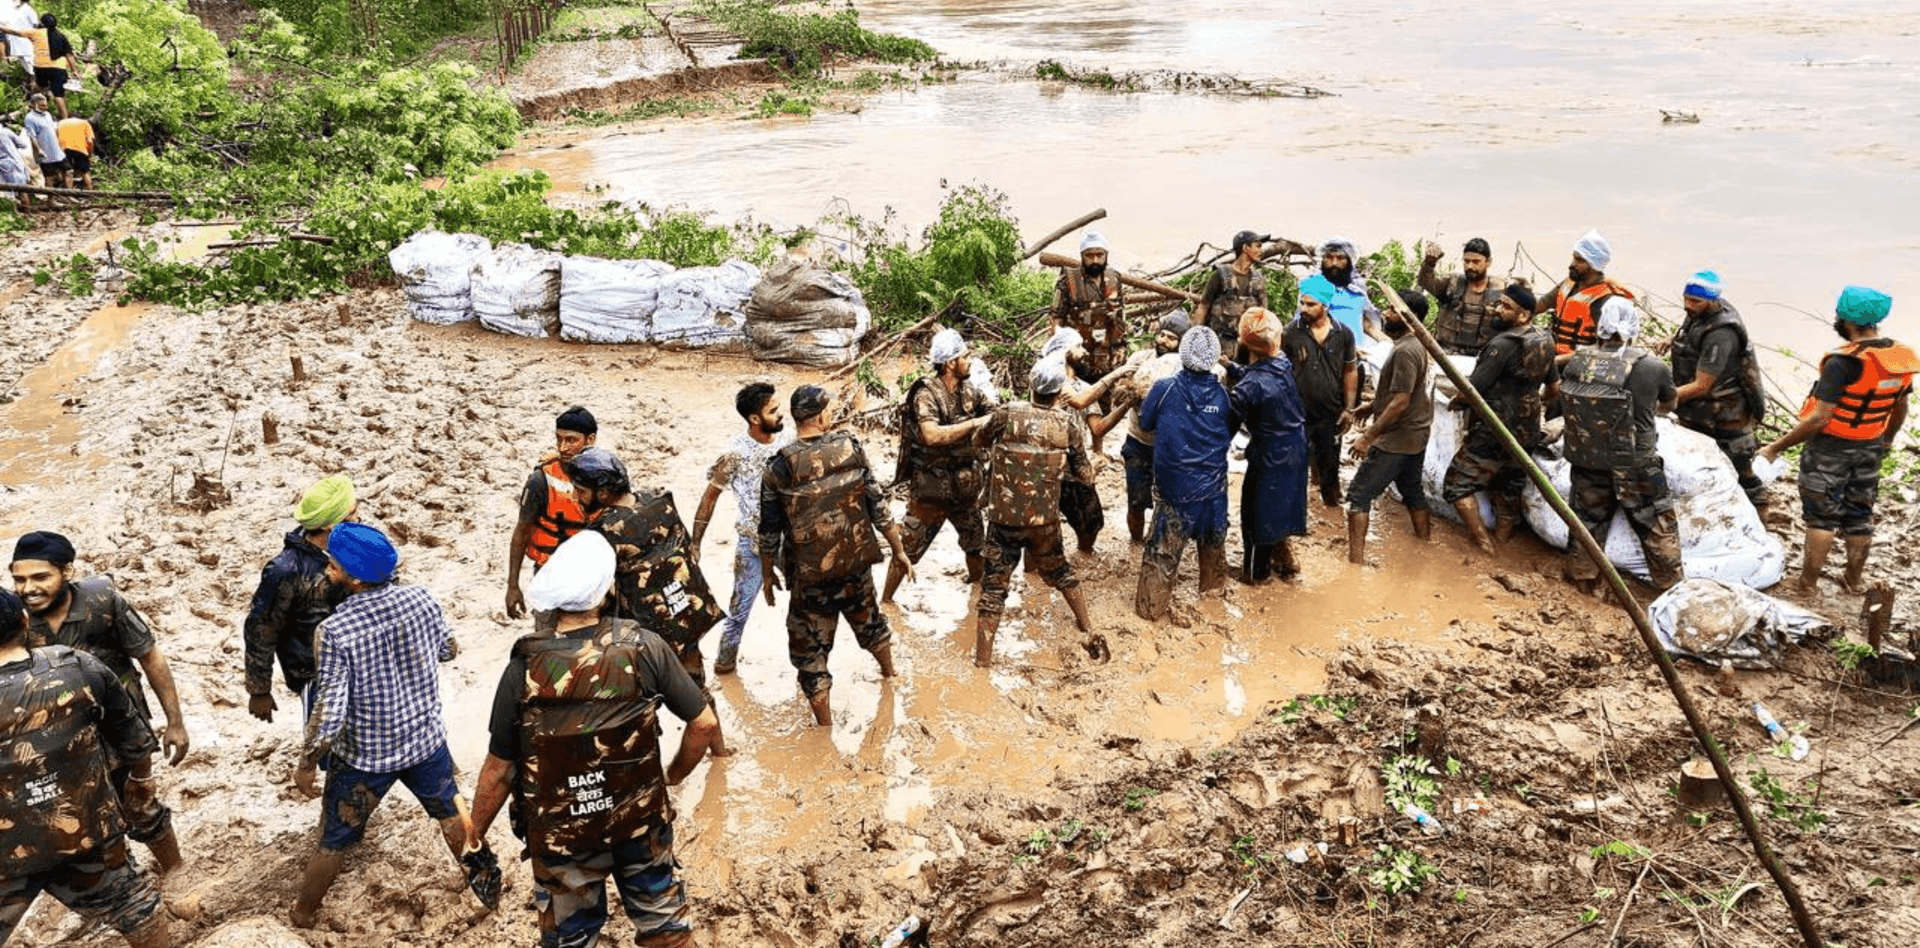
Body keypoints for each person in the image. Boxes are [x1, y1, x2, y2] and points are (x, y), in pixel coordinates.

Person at [469, 532, 716, 948]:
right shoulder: (644, 647)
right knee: (667, 929)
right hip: (639, 821)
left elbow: (499, 771)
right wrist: (671, 776)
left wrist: (474, 836)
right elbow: (704, 725)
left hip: (563, 837)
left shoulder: (522, 669)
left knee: (572, 939)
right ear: (605, 591)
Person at [292, 523, 498, 927]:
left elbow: (330, 713)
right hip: (425, 741)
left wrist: (305, 763)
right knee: (452, 815)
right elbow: (448, 649)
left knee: (335, 838)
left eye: (332, 566)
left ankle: (303, 911)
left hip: (365, 758)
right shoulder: (421, 598)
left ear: (350, 578)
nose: (328, 571)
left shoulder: (334, 631)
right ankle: (485, 888)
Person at [0, 587, 171, 948]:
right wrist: (140, 780)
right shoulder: (75, 665)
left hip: (5, 853)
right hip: (84, 832)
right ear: (25, 622)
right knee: (135, 906)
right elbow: (134, 740)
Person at [12, 531, 186, 873]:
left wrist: (175, 722)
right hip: (59, 738)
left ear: (67, 572)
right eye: (19, 579)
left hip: (121, 725)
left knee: (141, 803)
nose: (28, 588)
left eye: (40, 577)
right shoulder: (16, 621)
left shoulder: (102, 601)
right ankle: (125, 878)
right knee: (86, 816)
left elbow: (150, 658)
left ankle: (177, 869)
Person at [758, 385, 911, 726]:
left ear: (797, 419)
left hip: (808, 577)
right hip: (854, 566)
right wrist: (899, 550)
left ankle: (825, 729)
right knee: (871, 623)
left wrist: (768, 575)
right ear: (823, 415)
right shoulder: (850, 448)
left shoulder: (778, 468)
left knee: (809, 653)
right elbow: (878, 506)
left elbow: (768, 531)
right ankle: (891, 677)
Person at [568, 447, 730, 756]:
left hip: (642, 636)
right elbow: (685, 550)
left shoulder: (599, 533)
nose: (576, 497)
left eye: (580, 491)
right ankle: (720, 753)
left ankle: (650, 774)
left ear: (602, 493)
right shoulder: (661, 502)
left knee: (638, 709)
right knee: (698, 691)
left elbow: (599, 595)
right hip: (685, 616)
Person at [1760, 286, 1916, 594]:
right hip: (1870, 445)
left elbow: (1819, 418)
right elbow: (1900, 407)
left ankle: (1807, 585)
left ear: (1845, 320)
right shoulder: (1898, 359)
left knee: (1821, 519)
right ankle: (1854, 581)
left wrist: (1774, 448)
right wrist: (1887, 440)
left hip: (1830, 448)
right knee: (1859, 515)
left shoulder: (1842, 363)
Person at [970, 355, 1098, 667]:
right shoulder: (1067, 425)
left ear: (1030, 388)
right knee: (1061, 571)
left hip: (1003, 520)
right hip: (1044, 522)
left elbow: (978, 441)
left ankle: (982, 664)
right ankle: (1087, 626)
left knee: (993, 590)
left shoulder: (1006, 413)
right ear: (1058, 393)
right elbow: (1085, 475)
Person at [1560, 298, 1684, 594]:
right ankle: (1673, 590)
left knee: (1586, 523)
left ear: (1599, 325)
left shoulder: (1578, 360)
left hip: (1588, 460)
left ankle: (1583, 585)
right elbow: (1670, 402)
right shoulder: (1652, 366)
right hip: (1636, 463)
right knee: (1656, 523)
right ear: (1632, 325)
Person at [1440, 283, 1558, 552]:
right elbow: (1554, 388)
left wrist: (1455, 402)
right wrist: (1529, 403)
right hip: (1527, 430)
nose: (1497, 309)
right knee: (1508, 489)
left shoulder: (1501, 346)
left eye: (1506, 307)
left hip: (1495, 430)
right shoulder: (1545, 339)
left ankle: (1484, 546)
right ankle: (1503, 544)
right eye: (1499, 303)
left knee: (1457, 484)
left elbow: (1472, 390)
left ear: (1524, 315)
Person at [1134, 328, 1233, 623]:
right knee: (1213, 549)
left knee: (1161, 555)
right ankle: (1213, 606)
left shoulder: (1164, 388)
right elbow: (1227, 429)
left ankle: (1150, 612)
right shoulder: (1222, 394)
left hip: (1175, 489)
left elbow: (1145, 422)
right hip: (1214, 488)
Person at [886, 328, 992, 602]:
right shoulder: (926, 394)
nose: (970, 360)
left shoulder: (970, 391)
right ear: (950, 363)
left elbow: (993, 415)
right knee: (906, 548)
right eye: (965, 356)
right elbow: (931, 435)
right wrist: (972, 425)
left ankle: (976, 594)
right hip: (931, 489)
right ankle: (885, 602)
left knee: (977, 547)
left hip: (965, 489)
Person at [689, 383, 788, 674]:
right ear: (754, 419)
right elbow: (710, 497)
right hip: (753, 544)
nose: (781, 415)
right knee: (738, 612)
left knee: (808, 604)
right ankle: (725, 662)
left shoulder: (789, 442)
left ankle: (808, 664)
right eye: (773, 411)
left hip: (789, 540)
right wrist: (696, 542)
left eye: (779, 408)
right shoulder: (735, 454)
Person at [243, 475, 354, 726]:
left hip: (363, 662)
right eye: (353, 514)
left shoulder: (357, 548)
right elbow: (261, 629)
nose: (359, 520)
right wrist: (259, 689)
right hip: (317, 676)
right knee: (327, 746)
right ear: (332, 525)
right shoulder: (285, 571)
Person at [1346, 290, 1436, 565]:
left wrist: (1368, 437)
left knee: (1358, 497)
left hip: (1397, 438)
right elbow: (1404, 393)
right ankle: (1424, 546)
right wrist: (1371, 406)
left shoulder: (1407, 351)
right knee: (1411, 490)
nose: (1384, 314)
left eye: (1391, 310)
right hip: (1416, 433)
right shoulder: (1415, 344)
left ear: (1410, 317)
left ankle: (1354, 565)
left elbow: (1400, 401)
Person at [1670, 270, 1770, 510]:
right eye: (1686, 298)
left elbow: (1703, 386)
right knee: (1697, 472)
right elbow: (1692, 338)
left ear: (1713, 301)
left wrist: (1664, 399)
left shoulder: (1722, 332)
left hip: (1725, 417)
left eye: (1695, 301)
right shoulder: (1697, 314)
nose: (1688, 305)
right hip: (1697, 415)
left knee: (1744, 476)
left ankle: (1761, 525)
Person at [1228, 308, 1308, 582]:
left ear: (1243, 342)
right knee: (1281, 505)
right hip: (1296, 446)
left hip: (1270, 453)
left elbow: (1225, 429)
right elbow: (1261, 376)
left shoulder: (1246, 389)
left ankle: (1255, 575)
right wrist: (1231, 368)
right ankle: (1286, 561)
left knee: (1255, 515)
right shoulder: (1282, 362)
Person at [507, 406, 598, 619]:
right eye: (559, 439)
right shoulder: (540, 480)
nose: (563, 447)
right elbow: (521, 531)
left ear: (590, 439)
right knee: (547, 642)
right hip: (550, 576)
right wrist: (513, 586)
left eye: (571, 440)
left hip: (592, 578)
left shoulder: (605, 475)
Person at [1114, 312, 1195, 542]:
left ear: (1181, 343)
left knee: (1171, 500)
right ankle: (1136, 544)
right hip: (1138, 441)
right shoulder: (1141, 359)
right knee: (1136, 500)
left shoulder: (1187, 367)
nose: (1163, 340)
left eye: (1171, 338)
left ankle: (1164, 544)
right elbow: (1118, 390)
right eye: (1162, 334)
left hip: (1171, 446)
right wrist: (1131, 390)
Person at [1282, 275, 1361, 507]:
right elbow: (1279, 371)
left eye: (1310, 304)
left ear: (1325, 306)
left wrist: (1349, 408)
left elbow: (1350, 371)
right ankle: (1294, 515)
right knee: (1293, 466)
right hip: (1297, 412)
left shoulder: (1343, 334)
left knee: (1330, 466)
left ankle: (1331, 508)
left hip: (1330, 411)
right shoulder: (1290, 333)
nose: (1304, 308)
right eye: (1302, 303)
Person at [1536, 229, 1635, 364]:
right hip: (1554, 357)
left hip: (1579, 367)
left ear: (1594, 265)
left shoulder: (1604, 300)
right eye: (1573, 257)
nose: (1572, 264)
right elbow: (1540, 305)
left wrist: (1556, 362)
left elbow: (1607, 349)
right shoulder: (1569, 284)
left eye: (1579, 260)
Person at [1051, 231, 1127, 384]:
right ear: (1082, 256)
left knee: (1110, 403)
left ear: (1106, 255)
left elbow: (1120, 318)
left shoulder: (1114, 279)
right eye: (1089, 255)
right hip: (1077, 360)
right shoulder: (1069, 279)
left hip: (1107, 360)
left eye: (1099, 255)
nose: (1095, 260)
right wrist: (1064, 350)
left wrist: (1120, 350)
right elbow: (1056, 317)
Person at [1417, 237, 1504, 356]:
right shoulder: (1452, 283)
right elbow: (1425, 282)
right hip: (1446, 353)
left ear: (1488, 262)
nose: (1470, 266)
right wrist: (1429, 263)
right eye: (1466, 261)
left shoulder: (1501, 289)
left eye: (1476, 261)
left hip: (1481, 356)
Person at [1196, 230, 1269, 359]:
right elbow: (1204, 306)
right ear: (1245, 248)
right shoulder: (1222, 275)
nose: (1261, 250)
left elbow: (1264, 313)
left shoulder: (1259, 279)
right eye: (1258, 246)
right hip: (1220, 346)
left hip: (1247, 348)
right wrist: (1195, 338)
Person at [1317, 237, 1385, 344]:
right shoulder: (1314, 288)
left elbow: (1363, 320)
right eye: (1329, 258)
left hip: (1358, 349)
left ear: (1349, 261)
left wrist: (1383, 339)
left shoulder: (1357, 291)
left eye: (1340, 258)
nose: (1334, 263)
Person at [20, 92, 62, 189]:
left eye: (45, 105)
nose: (45, 107)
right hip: (38, 151)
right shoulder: (30, 119)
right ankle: (45, 196)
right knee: (44, 174)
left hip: (47, 150)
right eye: (42, 105)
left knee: (47, 174)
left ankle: (45, 195)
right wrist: (39, 150)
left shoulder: (47, 116)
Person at [54, 113, 90, 189]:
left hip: (64, 149)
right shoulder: (84, 122)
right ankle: (91, 192)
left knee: (67, 171)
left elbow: (56, 138)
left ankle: (69, 194)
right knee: (84, 171)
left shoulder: (60, 123)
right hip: (81, 149)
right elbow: (90, 141)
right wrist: (89, 155)